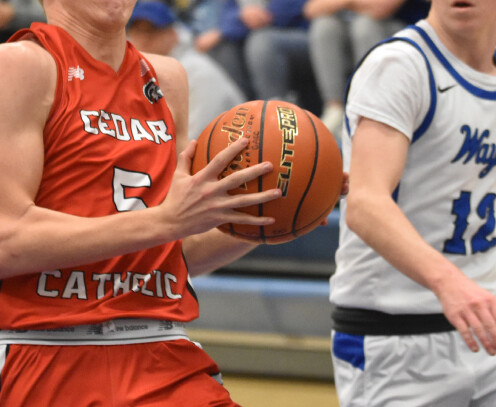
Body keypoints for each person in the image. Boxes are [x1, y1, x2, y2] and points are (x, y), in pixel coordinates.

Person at [0, 0, 285, 405]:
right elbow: (6, 240)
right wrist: (166, 222)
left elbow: (171, 252)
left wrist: (272, 216)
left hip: (161, 346)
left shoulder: (167, 78)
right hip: (46, 347)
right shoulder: (20, 66)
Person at [330, 0, 496, 405]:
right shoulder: (399, 65)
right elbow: (364, 203)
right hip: (393, 343)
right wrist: (449, 283)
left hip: (492, 337)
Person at [303, 0, 429, 141]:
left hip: (401, 28)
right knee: (324, 26)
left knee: (364, 26)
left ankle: (369, 108)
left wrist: (341, 3)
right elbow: (311, 10)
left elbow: (380, 8)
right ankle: (334, 107)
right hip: (349, 29)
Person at [127, 0, 246, 141]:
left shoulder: (196, 71)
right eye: (137, 32)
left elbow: (199, 137)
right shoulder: (139, 74)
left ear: (173, 34)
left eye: (151, 31)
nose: (143, 39)